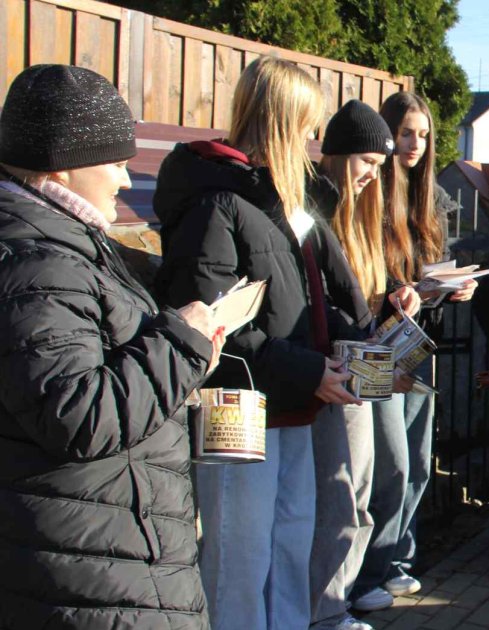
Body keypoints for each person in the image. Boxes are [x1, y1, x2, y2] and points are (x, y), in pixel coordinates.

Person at [0, 64, 222, 630]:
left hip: (102, 555)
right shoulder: (39, 260)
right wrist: (182, 343)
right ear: (65, 167)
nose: (125, 181)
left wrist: (183, 359)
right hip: (92, 573)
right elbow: (78, 415)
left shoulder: (59, 245)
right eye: (116, 164)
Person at [154, 56, 368, 629]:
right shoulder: (214, 202)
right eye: (305, 124)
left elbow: (308, 299)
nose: (311, 139)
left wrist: (346, 346)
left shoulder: (279, 199)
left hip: (295, 404)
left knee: (291, 541)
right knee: (239, 560)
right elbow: (211, 325)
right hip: (239, 413)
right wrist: (306, 369)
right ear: (278, 120)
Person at [352, 91, 477, 611]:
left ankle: (397, 561)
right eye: (406, 133)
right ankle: (365, 580)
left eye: (424, 135)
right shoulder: (365, 193)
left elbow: (431, 281)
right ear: (386, 132)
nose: (415, 145)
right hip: (373, 349)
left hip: (415, 348)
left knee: (419, 464)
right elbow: (351, 276)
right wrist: (390, 292)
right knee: (391, 467)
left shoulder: (432, 204)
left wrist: (449, 289)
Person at [308, 99, 421, 630]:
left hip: (365, 356)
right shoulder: (315, 211)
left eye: (379, 167)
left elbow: (365, 291)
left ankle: (348, 594)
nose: (374, 176)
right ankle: (330, 607)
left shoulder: (366, 212)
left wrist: (398, 297)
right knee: (345, 488)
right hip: (335, 367)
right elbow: (319, 296)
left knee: (369, 478)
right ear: (337, 155)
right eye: (367, 163)